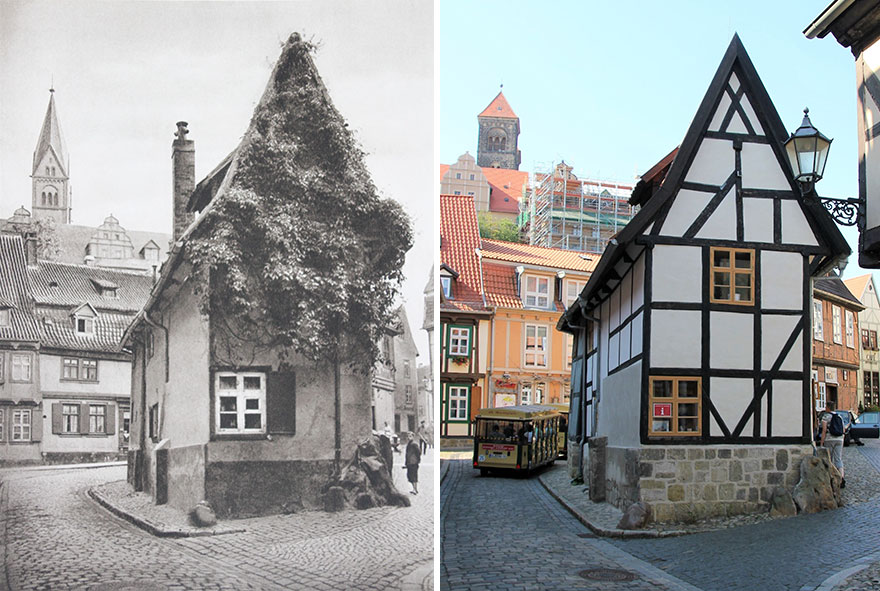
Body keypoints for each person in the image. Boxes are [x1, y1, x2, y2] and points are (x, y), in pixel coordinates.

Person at [819, 402, 845, 488]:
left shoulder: (826, 417)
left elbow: (824, 430)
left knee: (829, 459)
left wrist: (822, 442)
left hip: (830, 439)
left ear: (828, 408)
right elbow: (843, 429)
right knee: (838, 459)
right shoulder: (840, 416)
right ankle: (841, 477)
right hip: (839, 439)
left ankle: (831, 478)